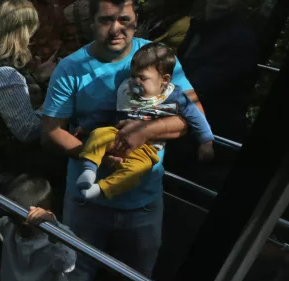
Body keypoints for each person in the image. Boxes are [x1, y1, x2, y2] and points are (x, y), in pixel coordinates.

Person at [40, 0, 199, 281]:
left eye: (124, 20)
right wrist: (93, 155)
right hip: (86, 199)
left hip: (143, 201)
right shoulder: (72, 68)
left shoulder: (157, 59)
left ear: (136, 19)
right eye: (106, 20)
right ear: (91, 22)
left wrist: (143, 134)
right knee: (76, 279)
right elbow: (51, 130)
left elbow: (190, 116)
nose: (116, 29)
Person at [75, 43, 214, 200]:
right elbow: (105, 110)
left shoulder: (174, 97)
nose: (136, 82)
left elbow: (196, 117)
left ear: (165, 80)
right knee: (99, 134)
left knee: (138, 169)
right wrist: (86, 126)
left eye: (143, 78)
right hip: (117, 135)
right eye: (134, 76)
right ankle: (89, 170)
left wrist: (206, 141)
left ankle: (101, 189)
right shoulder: (126, 90)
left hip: (147, 149)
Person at [0, 0, 60, 183]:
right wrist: (56, 92)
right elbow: (28, 130)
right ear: (23, 32)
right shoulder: (5, 74)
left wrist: (37, 77)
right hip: (3, 172)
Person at [176, 0, 259, 141]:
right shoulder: (198, 25)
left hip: (210, 135)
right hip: (185, 123)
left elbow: (198, 87)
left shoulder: (240, 39)